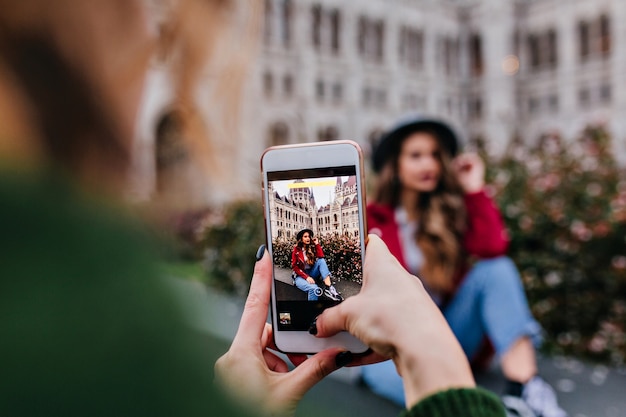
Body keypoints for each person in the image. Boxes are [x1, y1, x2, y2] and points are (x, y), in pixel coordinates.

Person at [0, 0, 505, 416]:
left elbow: (489, 252)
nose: (159, 42)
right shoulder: (96, 316)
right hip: (375, 336)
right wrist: (436, 361)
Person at [362, 115, 568, 417]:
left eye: (434, 155)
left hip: (450, 335)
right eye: (416, 155)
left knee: (496, 270)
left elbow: (492, 248)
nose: (428, 164)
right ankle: (486, 409)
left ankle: (525, 389)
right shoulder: (370, 220)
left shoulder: (449, 211)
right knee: (440, 397)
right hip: (392, 350)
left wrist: (473, 189)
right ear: (395, 165)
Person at [291, 228, 342, 301]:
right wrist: (306, 277)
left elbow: (321, 256)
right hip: (300, 276)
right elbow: (295, 267)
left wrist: (317, 244)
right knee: (314, 289)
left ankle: (328, 288)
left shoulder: (311, 247)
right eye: (305, 237)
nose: (308, 238)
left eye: (309, 236)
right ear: (301, 239)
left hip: (311, 272)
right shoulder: (296, 250)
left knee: (321, 261)